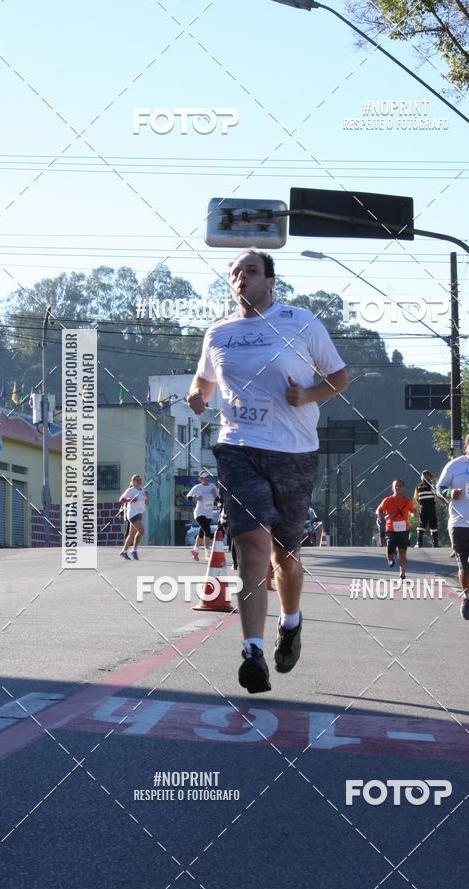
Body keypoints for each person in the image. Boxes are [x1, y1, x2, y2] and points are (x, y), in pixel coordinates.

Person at [187, 248, 348, 694]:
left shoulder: (302, 323)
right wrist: (197, 398)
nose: (242, 278)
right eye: (235, 273)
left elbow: (339, 377)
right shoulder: (218, 333)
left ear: (271, 280)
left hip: (294, 453)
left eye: (251, 271)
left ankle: (291, 623)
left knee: (286, 557)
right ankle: (252, 652)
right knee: (252, 550)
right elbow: (203, 383)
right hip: (238, 449)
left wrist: (308, 395)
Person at [437, 431, 469, 625]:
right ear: (466, 447)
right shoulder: (454, 466)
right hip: (459, 524)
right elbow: (438, 488)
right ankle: (468, 596)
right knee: (465, 568)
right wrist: (450, 492)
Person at [376, 480, 415, 580]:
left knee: (403, 553)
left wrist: (414, 514)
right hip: (391, 531)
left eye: (400, 486)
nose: (398, 487)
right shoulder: (388, 500)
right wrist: (380, 517)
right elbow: (379, 509)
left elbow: (413, 511)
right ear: (392, 488)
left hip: (404, 531)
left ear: (404, 488)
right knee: (390, 552)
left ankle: (402, 575)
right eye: (396, 486)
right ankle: (391, 557)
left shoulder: (407, 501)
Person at [186, 471, 218, 561]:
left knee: (201, 533)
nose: (206, 479)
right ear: (201, 479)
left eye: (208, 477)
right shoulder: (197, 487)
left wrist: (214, 494)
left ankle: (195, 551)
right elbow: (188, 497)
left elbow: (218, 498)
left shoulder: (212, 487)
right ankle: (207, 552)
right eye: (204, 477)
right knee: (207, 531)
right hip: (199, 513)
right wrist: (196, 498)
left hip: (209, 513)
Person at [118, 474, 149, 560]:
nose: (139, 481)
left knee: (131, 535)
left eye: (140, 480)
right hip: (132, 514)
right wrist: (130, 500)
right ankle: (134, 550)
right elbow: (121, 500)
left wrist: (147, 497)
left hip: (139, 513)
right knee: (141, 531)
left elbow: (147, 503)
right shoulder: (130, 490)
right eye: (137, 480)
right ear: (133, 482)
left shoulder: (143, 490)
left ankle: (123, 552)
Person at [414, 470, 439, 548]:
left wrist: (419, 506)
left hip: (423, 507)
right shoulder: (431, 485)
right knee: (432, 523)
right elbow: (436, 493)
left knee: (422, 524)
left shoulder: (418, 487)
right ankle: (434, 544)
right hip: (430, 507)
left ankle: (419, 543)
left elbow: (416, 498)